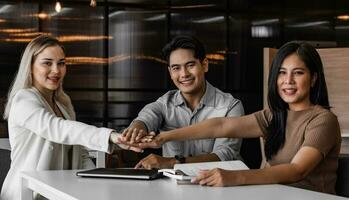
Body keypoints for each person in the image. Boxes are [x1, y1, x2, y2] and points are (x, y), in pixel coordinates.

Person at [122, 41, 341, 194]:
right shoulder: (275, 115)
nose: (288, 81)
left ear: (313, 79)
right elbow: (221, 125)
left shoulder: (323, 120)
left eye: (298, 73)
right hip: (276, 195)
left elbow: (297, 170)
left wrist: (233, 177)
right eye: (282, 73)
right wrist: (163, 138)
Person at [0, 35, 144, 200]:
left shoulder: (62, 103)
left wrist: (100, 183)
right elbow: (57, 128)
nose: (56, 70)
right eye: (47, 63)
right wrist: (111, 136)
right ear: (30, 66)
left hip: (56, 193)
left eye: (61, 63)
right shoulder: (23, 99)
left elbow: (80, 154)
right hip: (26, 194)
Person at [123, 35, 244, 169]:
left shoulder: (230, 106)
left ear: (204, 65)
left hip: (220, 186)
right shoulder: (165, 103)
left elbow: (224, 155)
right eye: (176, 68)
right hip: (173, 187)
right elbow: (148, 115)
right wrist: (138, 127)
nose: (184, 74)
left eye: (190, 65)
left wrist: (171, 162)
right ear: (170, 72)